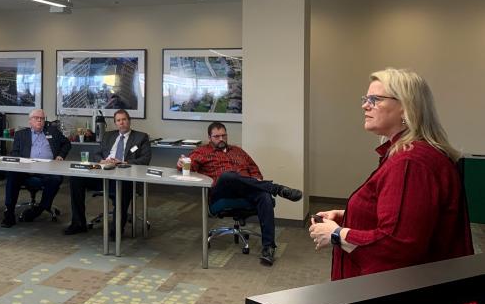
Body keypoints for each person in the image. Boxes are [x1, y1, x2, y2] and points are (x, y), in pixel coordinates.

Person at [309, 68, 473, 280]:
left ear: (406, 108)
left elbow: (397, 246)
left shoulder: (411, 163)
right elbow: (405, 216)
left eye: (375, 99)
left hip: (393, 298)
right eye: (366, 98)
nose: (365, 105)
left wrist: (336, 234)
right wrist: (352, 214)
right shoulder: (410, 154)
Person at [182, 122, 302, 266]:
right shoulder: (202, 152)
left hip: (246, 190)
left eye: (224, 135)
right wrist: (181, 162)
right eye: (217, 136)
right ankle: (276, 189)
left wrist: (256, 179)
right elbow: (187, 166)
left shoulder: (238, 151)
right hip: (222, 192)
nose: (221, 139)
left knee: (264, 197)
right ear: (209, 137)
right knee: (228, 176)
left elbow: (255, 170)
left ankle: (268, 247)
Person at [65, 109, 151, 236]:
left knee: (123, 186)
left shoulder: (141, 137)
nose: (121, 123)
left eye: (124, 120)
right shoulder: (108, 136)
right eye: (118, 120)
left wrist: (124, 162)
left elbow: (145, 159)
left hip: (125, 173)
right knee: (76, 178)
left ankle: (116, 230)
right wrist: (102, 160)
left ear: (129, 121)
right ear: (115, 123)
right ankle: (78, 224)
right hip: (103, 170)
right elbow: (97, 154)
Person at [1, 109, 70, 227]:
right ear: (30, 121)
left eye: (42, 118)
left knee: (56, 179)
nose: (39, 120)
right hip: (26, 170)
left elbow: (67, 143)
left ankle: (39, 209)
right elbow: (15, 153)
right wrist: (22, 163)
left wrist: (60, 155)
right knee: (12, 175)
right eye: (36, 118)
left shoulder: (52, 131)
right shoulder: (21, 134)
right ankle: (9, 212)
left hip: (48, 170)